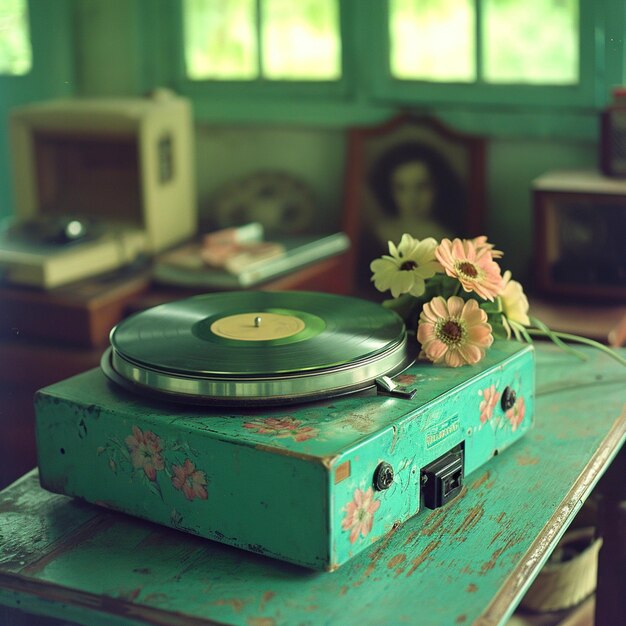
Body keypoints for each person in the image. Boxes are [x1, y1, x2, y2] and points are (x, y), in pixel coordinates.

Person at [366, 141, 467, 251]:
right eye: (401, 188)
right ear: (388, 191)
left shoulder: (450, 236)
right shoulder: (378, 234)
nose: (412, 198)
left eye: (422, 187)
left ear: (438, 187)